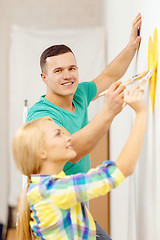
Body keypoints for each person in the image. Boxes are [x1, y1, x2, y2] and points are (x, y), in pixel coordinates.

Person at [13, 84, 148, 240]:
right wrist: (141, 112)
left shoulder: (44, 187)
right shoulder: (54, 190)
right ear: (41, 152)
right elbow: (121, 170)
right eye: (58, 134)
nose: (69, 137)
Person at [27, 13, 142, 176]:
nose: (67, 76)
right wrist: (109, 111)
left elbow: (109, 76)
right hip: (58, 196)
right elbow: (72, 150)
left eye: (72, 68)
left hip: (80, 193)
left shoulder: (79, 93)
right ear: (44, 78)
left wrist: (132, 46)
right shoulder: (40, 115)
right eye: (58, 71)